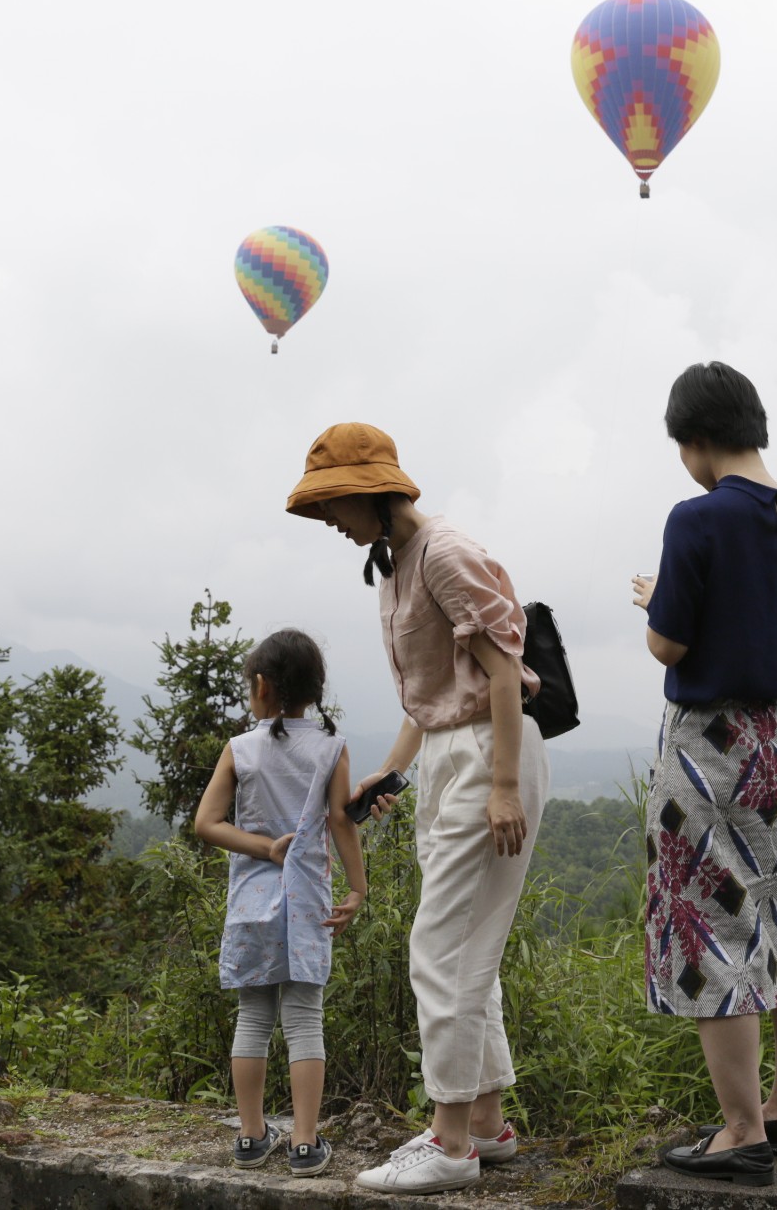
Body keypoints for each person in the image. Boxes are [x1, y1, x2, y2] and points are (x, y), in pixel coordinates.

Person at [285, 422, 549, 1195]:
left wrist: (502, 784)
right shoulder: (396, 564)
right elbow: (432, 694)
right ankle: (486, 1126)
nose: (333, 522)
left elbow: (504, 671)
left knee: (440, 948)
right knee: (472, 946)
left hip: (487, 753)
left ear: (371, 489)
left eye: (335, 504)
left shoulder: (444, 551)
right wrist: (392, 774)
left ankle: (451, 1143)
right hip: (449, 752)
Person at [631, 362, 777, 1188]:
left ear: (698, 439)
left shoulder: (696, 519)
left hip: (710, 746)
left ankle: (740, 1129)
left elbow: (668, 645)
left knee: (708, 921)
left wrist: (657, 603)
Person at [192, 628, 370, 1179]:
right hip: (308, 901)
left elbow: (206, 824)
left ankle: (250, 1137)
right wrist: (357, 888)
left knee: (253, 1016)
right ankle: (303, 1143)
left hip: (250, 901)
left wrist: (265, 849)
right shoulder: (330, 747)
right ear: (314, 690)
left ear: (263, 686)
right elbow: (341, 821)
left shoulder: (240, 749)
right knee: (304, 1019)